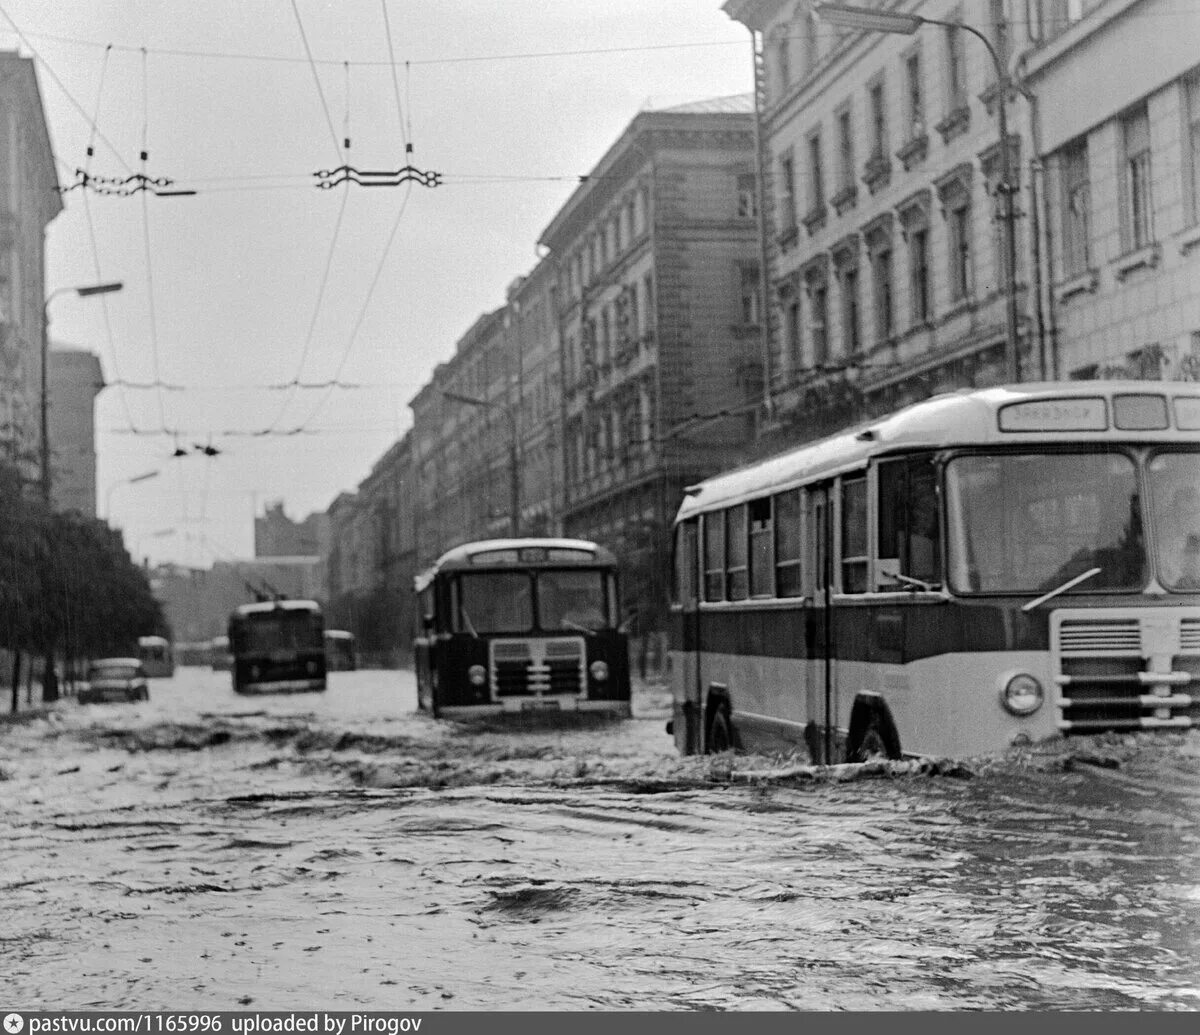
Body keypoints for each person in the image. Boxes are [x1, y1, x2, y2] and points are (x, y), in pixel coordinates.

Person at [1159, 484, 1200, 589]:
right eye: (1184, 512)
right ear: (1175, 513)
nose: (1189, 517)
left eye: (1194, 512)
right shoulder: (1163, 549)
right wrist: (1178, 583)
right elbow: (1164, 582)